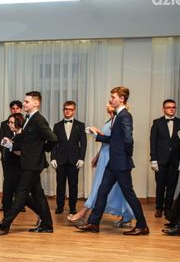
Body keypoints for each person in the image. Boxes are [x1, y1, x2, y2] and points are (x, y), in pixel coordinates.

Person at [77, 86, 149, 235]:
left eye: (113, 97)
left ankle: (142, 226)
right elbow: (113, 139)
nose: (110, 100)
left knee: (129, 194)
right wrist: (96, 135)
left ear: (122, 99)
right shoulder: (117, 115)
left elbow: (128, 139)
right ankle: (93, 223)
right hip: (113, 162)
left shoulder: (125, 115)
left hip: (120, 163)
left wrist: (126, 157)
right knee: (102, 191)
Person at [0, 91, 58, 235]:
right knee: (38, 195)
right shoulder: (29, 118)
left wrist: (41, 150)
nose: (24, 104)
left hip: (32, 164)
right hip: (29, 163)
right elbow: (27, 141)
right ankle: (47, 225)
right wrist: (12, 145)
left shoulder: (39, 120)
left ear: (36, 103)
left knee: (21, 193)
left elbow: (53, 139)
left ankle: (6, 222)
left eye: (27, 101)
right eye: (24, 101)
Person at [67, 103, 134, 227]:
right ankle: (127, 216)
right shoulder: (111, 119)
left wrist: (96, 133)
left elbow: (113, 140)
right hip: (104, 154)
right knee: (114, 187)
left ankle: (84, 212)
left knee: (102, 185)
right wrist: (98, 156)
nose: (107, 104)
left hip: (111, 156)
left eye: (110, 102)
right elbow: (108, 140)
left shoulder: (117, 119)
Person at [50, 101, 87, 215]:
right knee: (60, 185)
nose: (67, 111)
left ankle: (72, 207)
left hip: (74, 160)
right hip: (60, 160)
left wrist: (81, 158)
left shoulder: (80, 125)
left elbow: (83, 143)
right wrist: (53, 158)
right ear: (63, 110)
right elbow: (54, 143)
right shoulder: (57, 125)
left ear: (74, 111)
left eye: (70, 109)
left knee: (73, 185)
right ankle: (60, 206)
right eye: (66, 109)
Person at [150, 99, 180, 218]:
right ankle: (159, 208)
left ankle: (168, 209)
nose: (171, 109)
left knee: (172, 185)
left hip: (175, 160)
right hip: (160, 160)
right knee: (160, 185)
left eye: (173, 107)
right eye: (168, 107)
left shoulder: (179, 122)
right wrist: (153, 159)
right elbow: (153, 142)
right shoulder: (157, 123)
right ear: (163, 109)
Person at [0, 100, 22, 213]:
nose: (15, 110)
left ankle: (20, 204)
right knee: (7, 181)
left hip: (21, 158)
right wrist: (5, 154)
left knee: (20, 182)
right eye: (13, 108)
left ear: (21, 109)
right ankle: (6, 204)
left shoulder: (25, 123)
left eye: (17, 108)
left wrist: (15, 147)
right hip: (7, 157)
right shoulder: (4, 124)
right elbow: (0, 141)